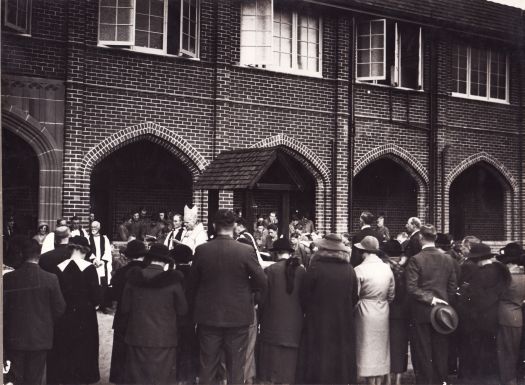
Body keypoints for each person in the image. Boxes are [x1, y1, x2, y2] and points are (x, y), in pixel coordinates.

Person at [187, 209, 267, 385]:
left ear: (214, 226)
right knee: (236, 366)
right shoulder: (245, 251)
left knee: (207, 365)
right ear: (234, 226)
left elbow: (191, 284)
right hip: (238, 316)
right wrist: (248, 291)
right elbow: (262, 281)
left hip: (208, 316)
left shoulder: (202, 250)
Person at [121, 243, 188, 384]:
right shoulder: (174, 282)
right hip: (164, 338)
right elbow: (183, 310)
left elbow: (124, 308)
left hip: (137, 335)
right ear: (165, 261)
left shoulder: (133, 278)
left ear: (149, 259)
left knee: (137, 377)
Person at [4, 239, 66, 385]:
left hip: (14, 337)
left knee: (15, 378)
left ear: (21, 255)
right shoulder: (51, 278)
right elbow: (60, 308)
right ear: (39, 255)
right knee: (35, 379)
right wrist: (45, 322)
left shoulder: (8, 278)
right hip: (40, 337)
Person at [300, 233, 358, 384]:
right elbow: (354, 298)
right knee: (340, 357)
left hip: (318, 320)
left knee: (319, 355)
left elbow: (305, 295)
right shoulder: (349, 269)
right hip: (342, 321)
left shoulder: (315, 267)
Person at [405, 224, 457, 385]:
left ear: (420, 238)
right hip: (442, 313)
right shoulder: (448, 259)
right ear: (435, 238)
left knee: (422, 353)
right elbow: (452, 287)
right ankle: (441, 382)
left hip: (421, 312)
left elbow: (411, 288)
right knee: (441, 352)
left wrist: (431, 299)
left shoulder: (416, 259)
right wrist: (444, 303)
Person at [47, 236, 101, 384]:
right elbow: (96, 296)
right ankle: (84, 376)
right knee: (85, 347)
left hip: (64, 313)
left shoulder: (58, 268)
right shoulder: (89, 268)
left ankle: (64, 376)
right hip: (85, 314)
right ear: (84, 250)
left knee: (64, 345)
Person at [459, 242, 511, 384]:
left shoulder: (478, 273)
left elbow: (474, 297)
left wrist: (464, 292)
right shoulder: (501, 270)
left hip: (477, 318)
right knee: (491, 349)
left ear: (479, 258)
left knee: (477, 351)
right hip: (494, 315)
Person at [258, 237, 305, 384]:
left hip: (272, 326)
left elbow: (262, 299)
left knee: (272, 371)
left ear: (276, 253)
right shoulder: (302, 271)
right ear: (289, 253)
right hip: (295, 326)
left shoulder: (270, 270)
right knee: (289, 371)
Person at [354, 236, 395, 385]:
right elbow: (391, 294)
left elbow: (355, 295)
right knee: (381, 348)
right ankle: (379, 380)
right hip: (383, 310)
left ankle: (370, 381)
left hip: (365, 310)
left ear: (363, 251)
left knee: (366, 347)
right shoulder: (386, 268)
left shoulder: (359, 270)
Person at [109, 240, 148, 384]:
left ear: (129, 256)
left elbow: (113, 296)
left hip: (123, 315)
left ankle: (120, 378)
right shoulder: (148, 271)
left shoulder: (121, 272)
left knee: (121, 349)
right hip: (144, 315)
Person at [381, 240, 410, 385]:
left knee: (385, 346)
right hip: (403, 313)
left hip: (387, 311)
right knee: (400, 346)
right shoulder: (406, 268)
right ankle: (398, 380)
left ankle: (387, 379)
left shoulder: (383, 268)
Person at [169, 244, 198, 383]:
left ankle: (176, 376)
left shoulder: (172, 275)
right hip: (192, 317)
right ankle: (189, 377)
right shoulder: (195, 274)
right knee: (190, 346)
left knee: (175, 347)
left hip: (174, 316)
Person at [497, 243, 525, 385]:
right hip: (518, 316)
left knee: (506, 352)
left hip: (505, 316)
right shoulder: (522, 276)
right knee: (515, 352)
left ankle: (508, 381)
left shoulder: (508, 277)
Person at [89, 220, 113, 313]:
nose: (93, 229)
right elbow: (88, 250)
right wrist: (94, 260)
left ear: (99, 228)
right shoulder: (88, 238)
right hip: (93, 264)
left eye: (95, 227)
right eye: (92, 227)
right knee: (94, 282)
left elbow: (107, 251)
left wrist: (102, 261)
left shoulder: (104, 238)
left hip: (103, 264)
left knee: (103, 283)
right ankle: (94, 304)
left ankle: (104, 305)